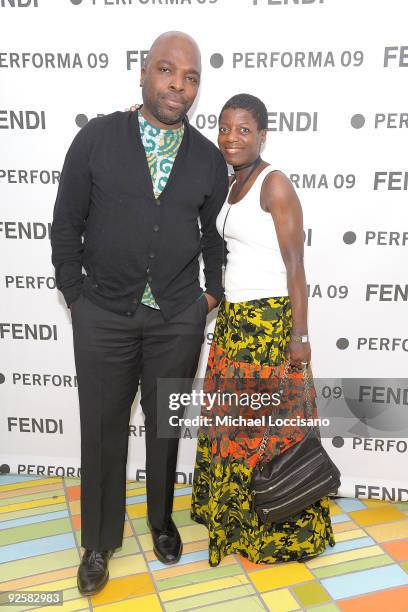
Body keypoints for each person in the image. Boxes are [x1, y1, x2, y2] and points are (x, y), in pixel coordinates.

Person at [50, 31, 228, 595]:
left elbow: (213, 237)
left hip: (178, 315)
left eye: (191, 76)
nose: (178, 84)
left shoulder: (206, 157)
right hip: (103, 312)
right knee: (102, 430)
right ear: (144, 73)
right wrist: (76, 295)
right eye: (167, 70)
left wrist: (210, 296)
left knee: (165, 424)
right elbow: (66, 223)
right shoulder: (97, 139)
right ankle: (97, 543)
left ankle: (160, 519)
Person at [190, 94, 336, 567]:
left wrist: (301, 337)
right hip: (235, 324)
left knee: (266, 438)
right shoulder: (234, 183)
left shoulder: (274, 184)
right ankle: (233, 522)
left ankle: (274, 532)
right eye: (225, 128)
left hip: (270, 328)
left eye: (244, 130)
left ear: (263, 134)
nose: (232, 138)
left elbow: (296, 267)